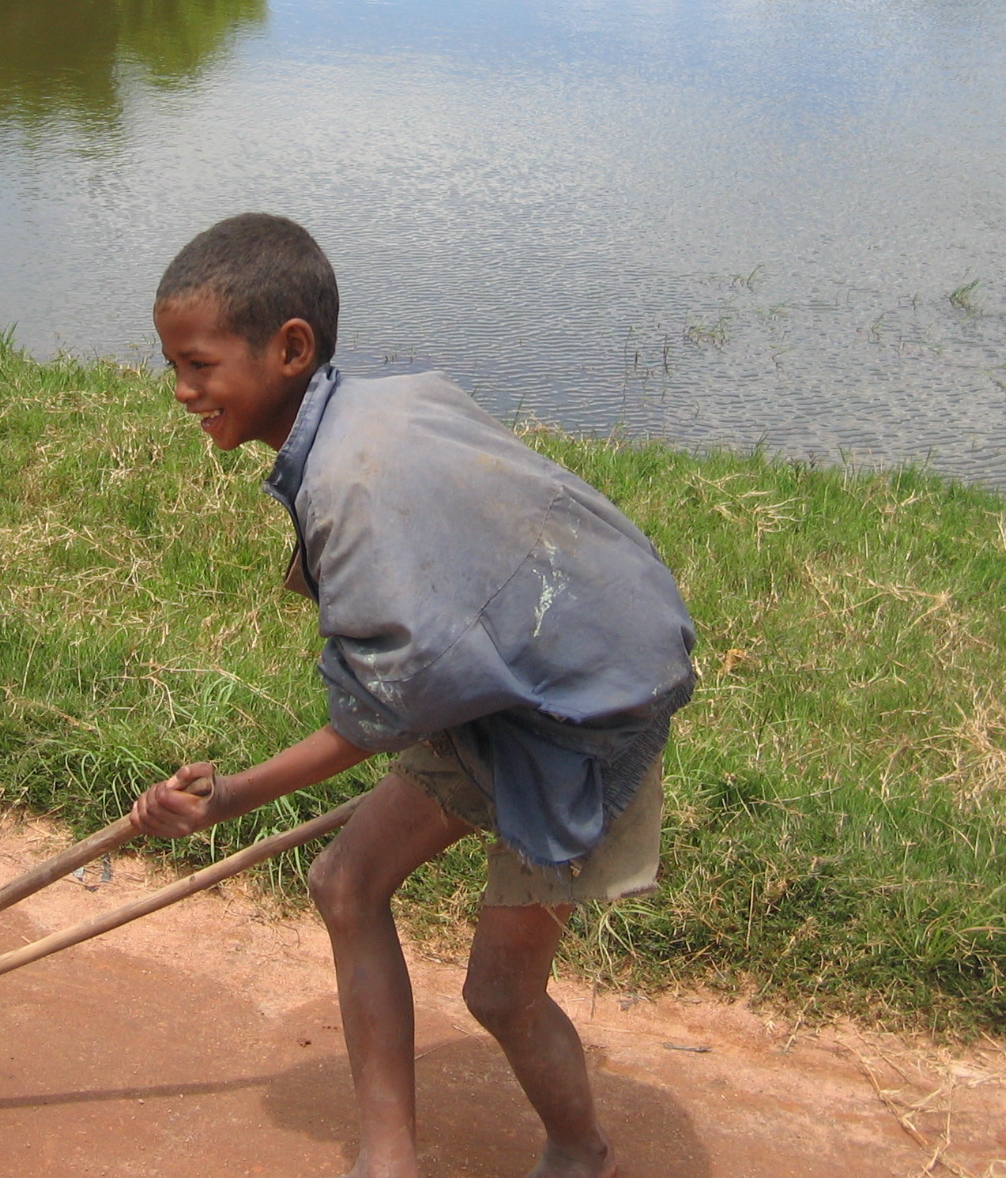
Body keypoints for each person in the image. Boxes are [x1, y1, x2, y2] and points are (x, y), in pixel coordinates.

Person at [132, 213, 697, 1178]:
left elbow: (375, 715)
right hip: (508, 681)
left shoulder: (349, 482)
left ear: (290, 349)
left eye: (198, 365)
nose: (182, 391)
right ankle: (386, 1158)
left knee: (500, 994)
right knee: (344, 882)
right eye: (174, 367)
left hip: (591, 712)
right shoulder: (381, 404)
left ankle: (578, 1150)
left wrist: (229, 797)